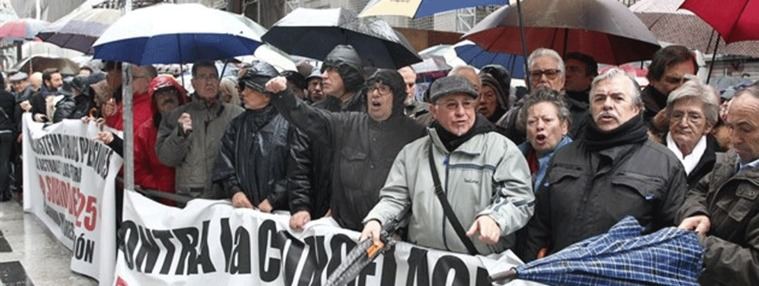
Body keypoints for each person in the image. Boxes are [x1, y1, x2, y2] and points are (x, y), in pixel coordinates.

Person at [517, 68, 688, 261]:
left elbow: (671, 240)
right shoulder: (564, 156)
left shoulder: (665, 164)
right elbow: (539, 225)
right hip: (558, 273)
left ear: (637, 108)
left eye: (617, 98)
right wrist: (530, 267)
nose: (607, 105)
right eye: (599, 98)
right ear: (590, 107)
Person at [360, 75, 534, 254]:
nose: (461, 112)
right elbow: (395, 198)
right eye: (451, 105)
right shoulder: (411, 154)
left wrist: (496, 218)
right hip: (425, 265)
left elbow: (519, 198)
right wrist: (377, 220)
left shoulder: (501, 149)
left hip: (481, 267)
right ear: (434, 111)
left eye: (467, 104)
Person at [267, 69, 425, 231]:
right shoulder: (347, 124)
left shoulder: (416, 134)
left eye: (383, 89)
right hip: (343, 229)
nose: (375, 94)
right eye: (371, 88)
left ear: (397, 96)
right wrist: (284, 96)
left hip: (391, 233)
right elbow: (310, 118)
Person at [678, 86, 759, 285]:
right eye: (731, 127)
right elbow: (698, 190)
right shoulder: (732, 159)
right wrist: (696, 214)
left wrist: (698, 244)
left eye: (746, 129)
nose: (734, 139)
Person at [286, 47, 368, 230]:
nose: (323, 76)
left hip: (359, 220)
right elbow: (299, 163)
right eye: (324, 69)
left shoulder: (371, 115)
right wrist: (301, 206)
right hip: (316, 215)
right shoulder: (314, 113)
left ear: (349, 73)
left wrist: (342, 208)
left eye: (331, 70)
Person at [156, 61, 244, 199]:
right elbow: (167, 159)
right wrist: (179, 134)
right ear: (194, 82)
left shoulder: (237, 115)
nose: (209, 82)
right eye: (203, 77)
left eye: (213, 76)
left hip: (226, 197)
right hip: (190, 197)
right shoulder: (175, 116)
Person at [213, 61, 292, 212]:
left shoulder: (289, 125)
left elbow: (298, 170)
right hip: (243, 212)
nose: (242, 93)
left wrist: (273, 199)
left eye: (248, 88)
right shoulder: (236, 125)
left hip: (280, 215)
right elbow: (224, 163)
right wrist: (235, 191)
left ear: (266, 94)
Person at [496, 48, 566, 145]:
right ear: (526, 81)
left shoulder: (580, 114)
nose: (543, 79)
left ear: (562, 80)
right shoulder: (512, 116)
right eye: (536, 74)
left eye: (550, 73)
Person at [134, 75, 187, 201]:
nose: (167, 97)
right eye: (160, 94)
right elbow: (136, 166)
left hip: (192, 195)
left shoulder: (195, 120)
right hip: (162, 199)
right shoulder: (145, 131)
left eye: (170, 91)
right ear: (154, 101)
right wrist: (156, 186)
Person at [661, 80, 721, 188]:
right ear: (669, 118)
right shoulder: (649, 152)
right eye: (677, 115)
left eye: (694, 117)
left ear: (708, 126)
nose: (683, 123)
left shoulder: (720, 161)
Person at [518, 88, 573, 189]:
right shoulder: (514, 156)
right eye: (532, 122)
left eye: (547, 120)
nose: (539, 126)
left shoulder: (577, 161)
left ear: (564, 126)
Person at [641, 45, 697, 130]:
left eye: (687, 81)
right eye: (673, 81)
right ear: (652, 79)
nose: (682, 88)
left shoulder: (699, 107)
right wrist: (654, 126)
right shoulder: (634, 110)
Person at [319, 45, 366, 112]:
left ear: (349, 75)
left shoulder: (368, 112)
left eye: (332, 69)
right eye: (324, 70)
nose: (323, 76)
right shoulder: (319, 109)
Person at [562, 52, 597, 139]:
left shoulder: (596, 109)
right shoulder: (553, 102)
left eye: (573, 70)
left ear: (590, 79)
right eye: (565, 69)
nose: (567, 74)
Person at [0, 73, 17, 201]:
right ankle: (4, 192)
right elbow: (13, 115)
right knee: (4, 162)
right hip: (6, 132)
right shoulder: (10, 96)